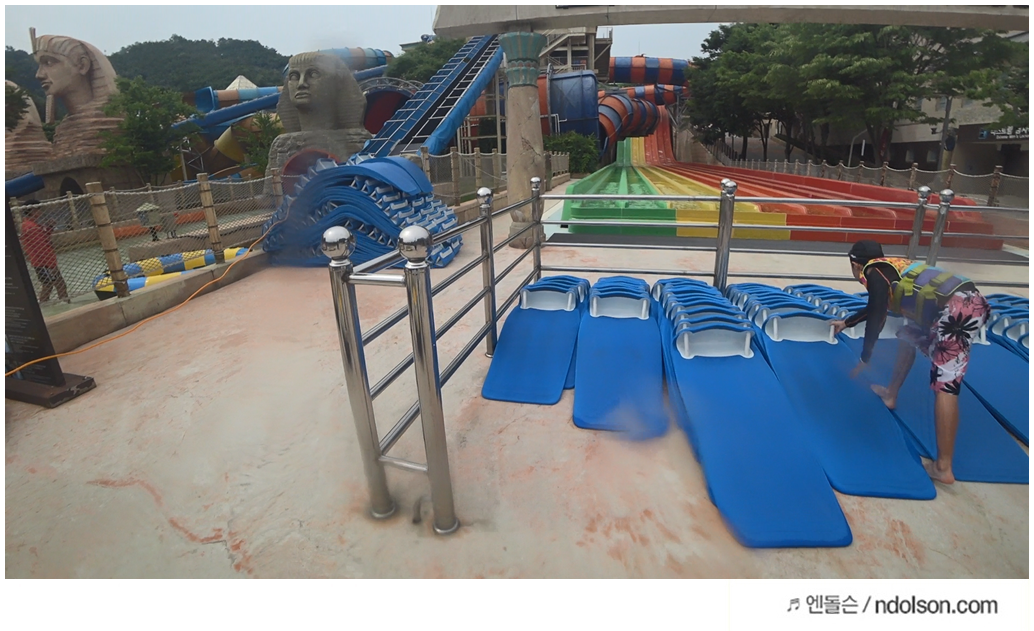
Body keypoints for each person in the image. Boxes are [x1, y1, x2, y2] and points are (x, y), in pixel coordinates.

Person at [831, 240, 990, 485]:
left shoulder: (873, 274)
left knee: (946, 383)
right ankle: (890, 394)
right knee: (908, 336)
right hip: (962, 301)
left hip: (958, 310)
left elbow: (877, 315)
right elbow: (876, 304)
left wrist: (865, 357)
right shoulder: (892, 267)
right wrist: (847, 322)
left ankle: (943, 466)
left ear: (855, 264)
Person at [19, 200, 70, 304]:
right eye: (38, 209)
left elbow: (42, 238)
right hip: (44, 262)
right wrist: (51, 265)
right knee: (56, 284)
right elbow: (41, 247)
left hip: (41, 262)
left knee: (50, 285)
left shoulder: (30, 225)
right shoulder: (31, 227)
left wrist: (49, 228)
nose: (40, 212)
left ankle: (47, 305)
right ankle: (61, 303)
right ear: (33, 210)